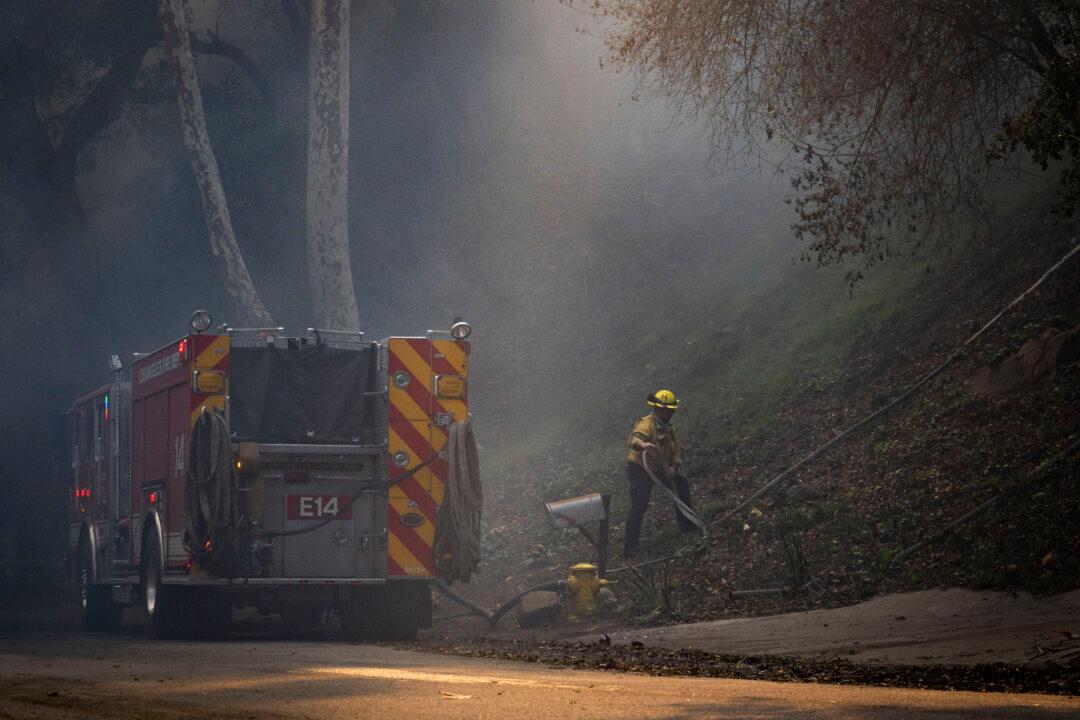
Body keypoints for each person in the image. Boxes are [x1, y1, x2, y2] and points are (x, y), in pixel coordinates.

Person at [623, 389, 696, 556]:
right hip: (640, 468)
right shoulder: (646, 423)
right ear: (657, 409)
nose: (670, 413)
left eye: (671, 410)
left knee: (681, 484)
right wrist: (642, 445)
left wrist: (673, 468)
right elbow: (634, 439)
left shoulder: (669, 429)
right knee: (639, 504)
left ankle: (688, 526)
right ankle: (630, 547)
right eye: (666, 409)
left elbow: (675, 451)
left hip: (660, 468)